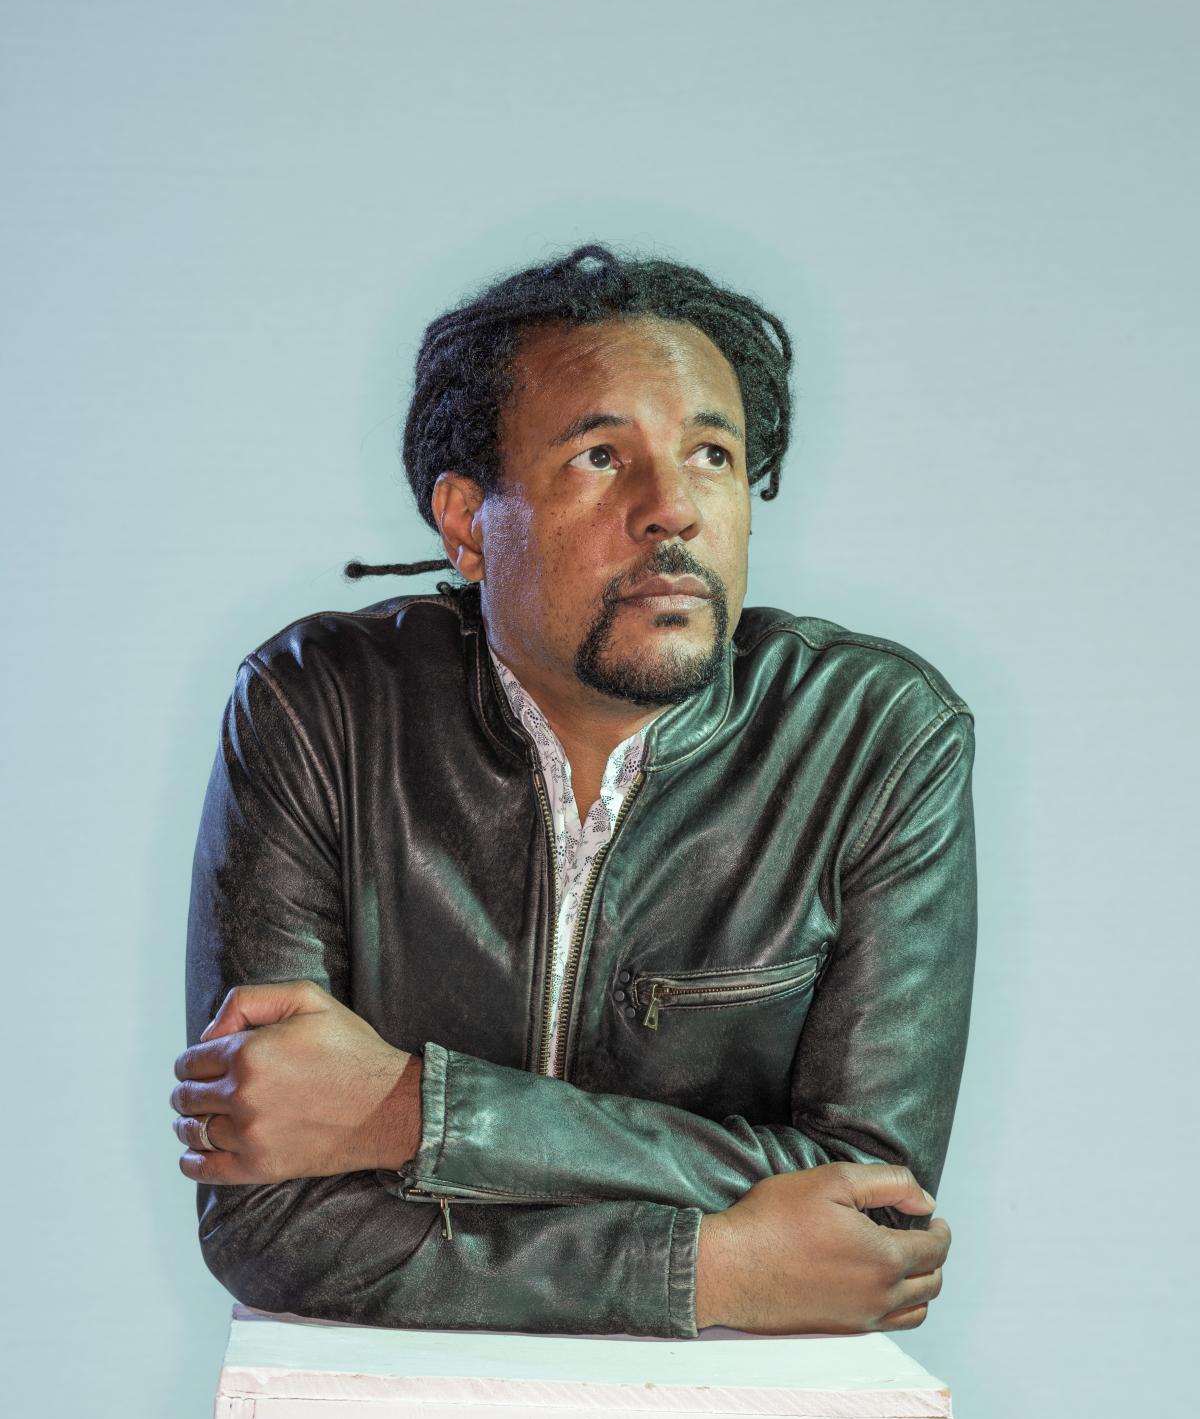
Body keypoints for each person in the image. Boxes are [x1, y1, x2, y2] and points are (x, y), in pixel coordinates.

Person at [170, 242, 976, 1339]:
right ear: (466, 523)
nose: (673, 511)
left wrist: (407, 1108)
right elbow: (267, 1219)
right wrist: (713, 1268)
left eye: (711, 455)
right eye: (601, 456)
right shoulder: (321, 709)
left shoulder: (874, 737)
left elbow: (868, 1209)